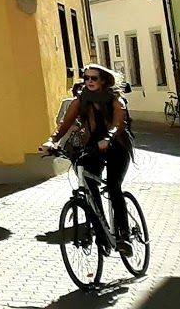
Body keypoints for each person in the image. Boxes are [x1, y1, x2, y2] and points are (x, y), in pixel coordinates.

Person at [40, 64, 135, 252]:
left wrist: (108, 138)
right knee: (89, 186)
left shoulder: (115, 100)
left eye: (94, 78)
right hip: (93, 147)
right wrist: (52, 141)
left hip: (117, 146)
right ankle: (102, 235)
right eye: (86, 78)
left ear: (104, 80)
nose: (89, 81)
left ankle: (124, 236)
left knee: (114, 186)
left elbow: (119, 123)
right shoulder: (81, 100)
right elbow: (64, 125)